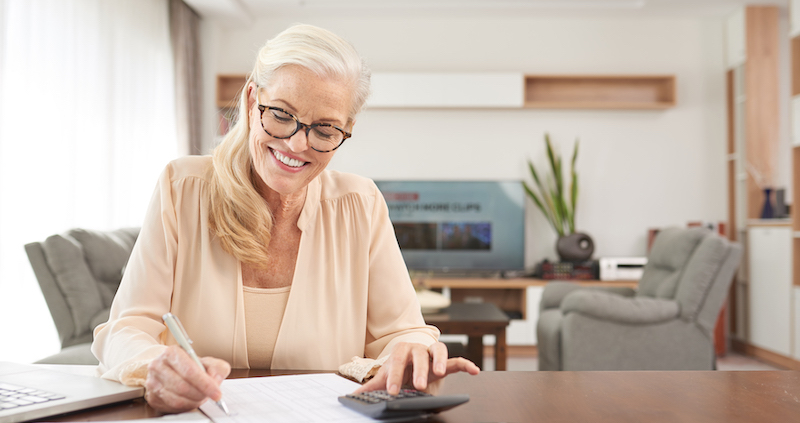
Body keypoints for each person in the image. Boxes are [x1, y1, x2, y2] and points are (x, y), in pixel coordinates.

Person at [91, 23, 479, 413]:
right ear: (251, 100)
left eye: (324, 129)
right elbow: (126, 329)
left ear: (346, 130)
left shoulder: (361, 204)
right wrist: (155, 369)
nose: (296, 143)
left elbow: (404, 333)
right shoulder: (182, 188)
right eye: (281, 114)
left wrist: (412, 354)